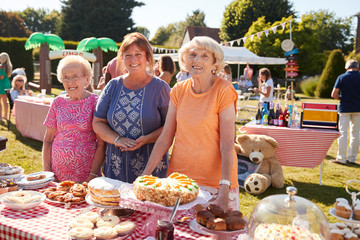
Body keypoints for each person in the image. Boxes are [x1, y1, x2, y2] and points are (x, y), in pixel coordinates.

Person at [142, 36, 239, 212]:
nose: (197, 60)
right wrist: (145, 175)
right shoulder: (178, 89)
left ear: (215, 64)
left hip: (216, 181)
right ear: (185, 61)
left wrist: (225, 187)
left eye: (205, 56)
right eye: (192, 55)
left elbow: (226, 144)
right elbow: (165, 138)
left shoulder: (224, 90)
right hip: (180, 181)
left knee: (214, 232)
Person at [92, 32, 170, 183]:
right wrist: (117, 139)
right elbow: (98, 122)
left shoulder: (161, 88)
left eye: (138, 54)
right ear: (122, 58)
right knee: (115, 205)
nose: (133, 59)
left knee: (147, 205)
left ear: (147, 57)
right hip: (115, 168)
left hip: (151, 169)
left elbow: (170, 127)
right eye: (128, 55)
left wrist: (147, 139)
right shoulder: (113, 86)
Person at [42, 55, 105, 182]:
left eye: (75, 77)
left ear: (87, 80)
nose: (70, 82)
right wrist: (47, 172)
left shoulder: (96, 102)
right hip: (57, 174)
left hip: (86, 174)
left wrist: (92, 175)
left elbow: (101, 144)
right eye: (65, 77)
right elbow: (48, 140)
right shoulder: (57, 102)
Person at [331, 59, 360, 165]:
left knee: (343, 133)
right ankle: (352, 158)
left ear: (346, 67)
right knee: (355, 133)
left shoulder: (342, 77)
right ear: (357, 67)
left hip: (345, 107)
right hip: (358, 108)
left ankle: (341, 158)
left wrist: (341, 98)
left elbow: (334, 94)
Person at [0, 52, 12, 121]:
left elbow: (1, 77)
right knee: (5, 101)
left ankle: (0, 117)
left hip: (1, 85)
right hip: (6, 84)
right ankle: (5, 116)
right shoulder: (8, 66)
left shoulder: (2, 67)